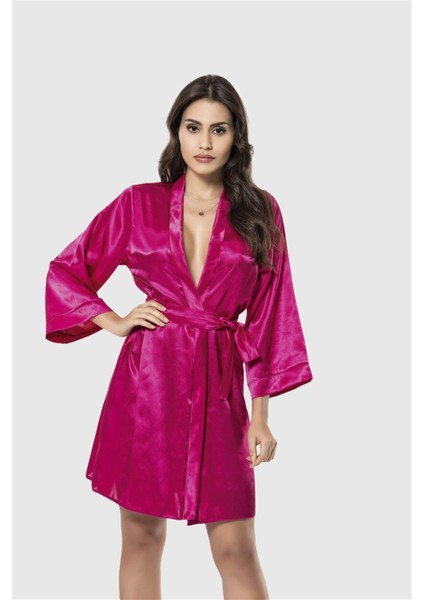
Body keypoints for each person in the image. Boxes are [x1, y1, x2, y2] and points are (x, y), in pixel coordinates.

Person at [45, 73, 313, 600]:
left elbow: (270, 315)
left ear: (236, 138)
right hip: (146, 385)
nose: (205, 142)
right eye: (193, 128)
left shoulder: (261, 211)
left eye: (219, 129)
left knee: (235, 548)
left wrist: (261, 416)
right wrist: (114, 320)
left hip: (221, 389)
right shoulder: (137, 204)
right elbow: (66, 271)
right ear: (176, 132)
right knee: (142, 538)